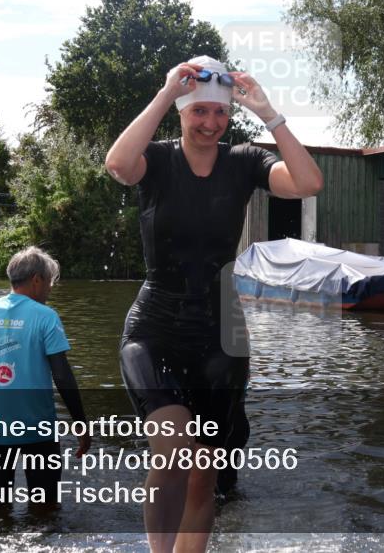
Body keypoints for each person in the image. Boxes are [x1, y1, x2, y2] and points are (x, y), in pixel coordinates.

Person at [104, 55, 323, 552]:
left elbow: (309, 184)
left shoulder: (245, 161)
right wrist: (163, 94)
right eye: (198, 111)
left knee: (203, 472)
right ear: (182, 111)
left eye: (219, 113)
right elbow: (118, 166)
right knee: (172, 452)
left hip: (221, 335)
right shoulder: (157, 161)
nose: (209, 122)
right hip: (154, 328)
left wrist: (270, 115)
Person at [0, 246, 91, 512]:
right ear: (37, 280)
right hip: (39, 433)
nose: (50, 289)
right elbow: (62, 375)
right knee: (46, 511)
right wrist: (81, 424)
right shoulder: (46, 317)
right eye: (49, 282)